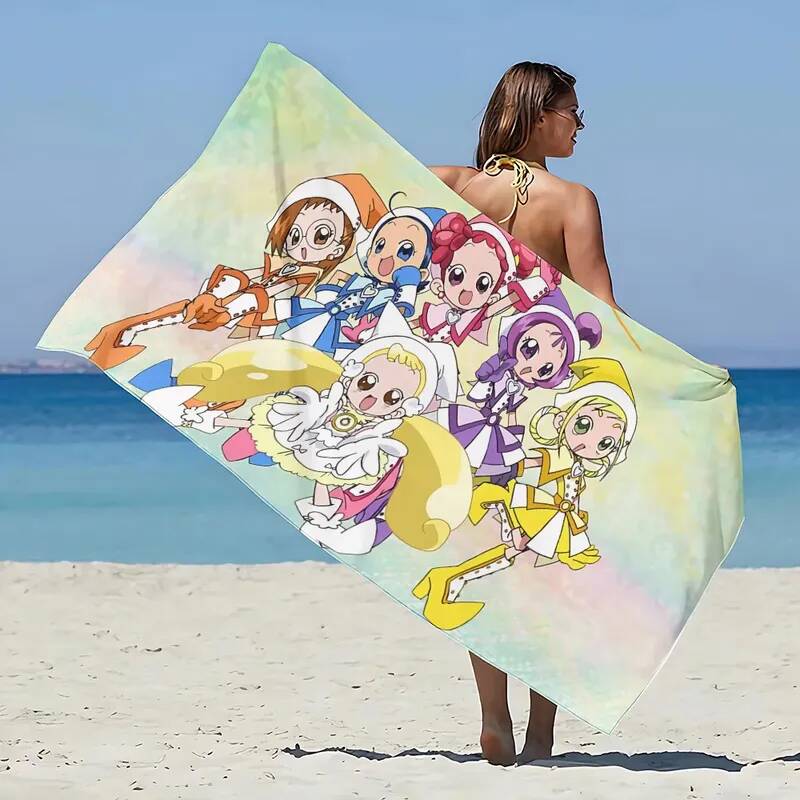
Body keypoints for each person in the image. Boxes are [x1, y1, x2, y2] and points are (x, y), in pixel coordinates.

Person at [430, 60, 625, 766]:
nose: (580, 126)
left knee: (482, 554)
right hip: (547, 411)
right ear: (539, 115)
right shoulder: (572, 200)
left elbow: (377, 217)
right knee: (546, 563)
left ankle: (494, 717)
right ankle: (541, 733)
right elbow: (602, 313)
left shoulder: (450, 185)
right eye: (572, 112)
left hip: (469, 407)